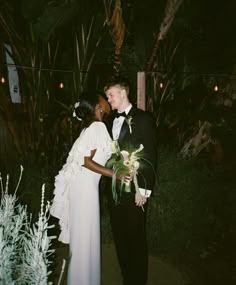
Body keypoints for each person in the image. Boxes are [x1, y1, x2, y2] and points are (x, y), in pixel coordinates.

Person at [50, 92, 115, 285]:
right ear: (98, 106)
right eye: (104, 97)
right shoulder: (98, 126)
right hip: (85, 188)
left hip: (83, 187)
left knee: (83, 238)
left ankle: (82, 279)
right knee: (85, 238)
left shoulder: (89, 128)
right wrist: (114, 174)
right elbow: (86, 161)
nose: (107, 99)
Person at [104, 76, 158, 285]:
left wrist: (143, 190)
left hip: (135, 190)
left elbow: (150, 156)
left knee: (136, 239)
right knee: (120, 237)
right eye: (108, 96)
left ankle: (138, 281)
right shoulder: (109, 121)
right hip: (114, 189)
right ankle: (127, 278)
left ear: (123, 93)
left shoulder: (143, 119)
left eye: (111, 95)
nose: (109, 100)